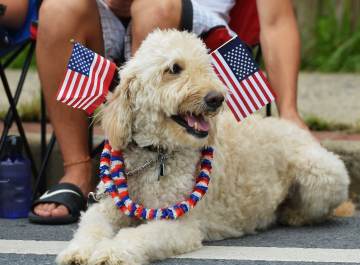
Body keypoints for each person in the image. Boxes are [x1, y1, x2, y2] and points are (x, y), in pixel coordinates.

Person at [29, 0, 307, 223]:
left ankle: (147, 157)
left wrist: (290, 111)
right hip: (105, 16)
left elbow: (277, 21)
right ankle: (78, 170)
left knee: (155, 5)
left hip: (191, 31)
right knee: (58, 8)